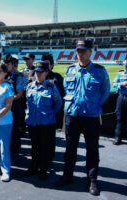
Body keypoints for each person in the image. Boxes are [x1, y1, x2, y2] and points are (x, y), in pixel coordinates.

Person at [55, 39, 110, 196]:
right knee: (70, 148)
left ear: (90, 52)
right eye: (78, 51)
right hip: (72, 115)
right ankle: (67, 176)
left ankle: (92, 180)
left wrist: (94, 106)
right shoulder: (70, 70)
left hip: (91, 116)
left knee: (92, 150)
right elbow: (67, 88)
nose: (80, 54)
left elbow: (105, 92)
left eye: (83, 51)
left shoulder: (100, 71)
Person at [24, 61, 62, 180]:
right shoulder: (30, 86)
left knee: (45, 147)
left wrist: (47, 114)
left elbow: (58, 104)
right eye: (36, 72)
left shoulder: (51, 87)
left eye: (41, 72)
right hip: (32, 122)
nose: (38, 75)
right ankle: (33, 166)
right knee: (34, 146)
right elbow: (27, 103)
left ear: (46, 73)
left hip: (46, 123)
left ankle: (43, 169)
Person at [41, 54, 65, 165]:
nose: (45, 66)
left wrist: (56, 113)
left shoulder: (57, 77)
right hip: (38, 114)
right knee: (38, 138)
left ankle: (49, 159)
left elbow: (62, 96)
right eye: (43, 63)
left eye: (47, 64)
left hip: (52, 113)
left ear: (52, 65)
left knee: (50, 137)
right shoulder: (36, 75)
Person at [4, 54, 27, 156]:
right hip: (3, 106)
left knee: (14, 129)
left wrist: (8, 100)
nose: (5, 65)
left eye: (8, 64)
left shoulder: (19, 76)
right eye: (4, 63)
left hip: (15, 106)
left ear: (13, 64)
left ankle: (14, 150)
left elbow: (19, 93)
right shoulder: (2, 74)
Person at [112, 62, 127, 145]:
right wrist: (122, 84)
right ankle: (118, 137)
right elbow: (113, 84)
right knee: (120, 118)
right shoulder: (120, 74)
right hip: (122, 97)